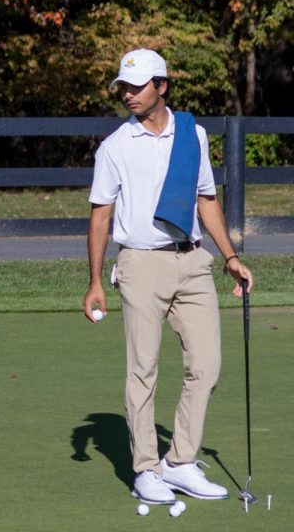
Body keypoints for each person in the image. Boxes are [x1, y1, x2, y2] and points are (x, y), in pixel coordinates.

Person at [83, 49, 253, 506]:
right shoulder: (115, 146)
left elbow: (206, 199)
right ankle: (145, 469)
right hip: (140, 264)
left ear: (162, 85)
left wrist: (230, 257)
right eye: (123, 87)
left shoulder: (192, 136)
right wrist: (96, 281)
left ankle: (180, 462)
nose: (128, 95)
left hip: (193, 263)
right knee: (144, 369)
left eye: (136, 86)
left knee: (207, 366)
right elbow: (101, 216)